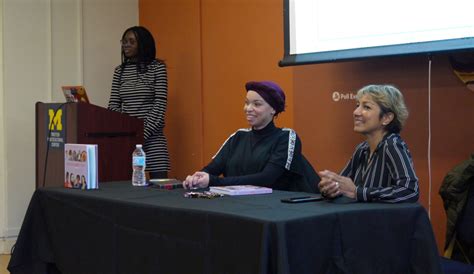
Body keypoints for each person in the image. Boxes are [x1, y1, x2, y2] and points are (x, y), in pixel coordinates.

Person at [183, 81, 319, 192]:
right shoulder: (238, 136)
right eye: (247, 103)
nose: (248, 108)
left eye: (257, 104)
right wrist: (197, 177)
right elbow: (212, 169)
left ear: (273, 109)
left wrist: (214, 182)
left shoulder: (286, 137)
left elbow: (266, 179)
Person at [318, 84, 419, 203]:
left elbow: (410, 191)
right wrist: (331, 187)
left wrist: (358, 192)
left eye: (366, 107)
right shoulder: (362, 149)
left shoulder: (392, 145)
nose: (356, 112)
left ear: (386, 118)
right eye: (357, 105)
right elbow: (344, 185)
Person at [108, 26, 170, 179]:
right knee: (128, 189)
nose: (126, 45)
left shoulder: (157, 68)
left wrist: (141, 134)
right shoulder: (119, 71)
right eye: (124, 41)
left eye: (131, 42)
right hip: (127, 140)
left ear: (142, 45)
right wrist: (124, 134)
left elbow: (160, 105)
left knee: (160, 190)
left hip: (153, 139)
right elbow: (114, 105)